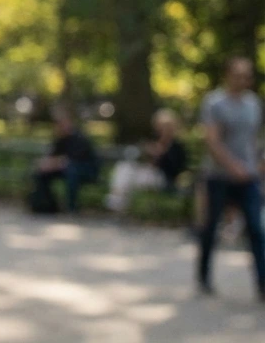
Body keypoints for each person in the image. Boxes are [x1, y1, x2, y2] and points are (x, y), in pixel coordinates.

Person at [196, 56, 264, 300]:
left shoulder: (253, 104)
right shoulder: (214, 103)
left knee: (256, 229)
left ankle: (262, 283)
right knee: (211, 228)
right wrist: (232, 166)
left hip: (249, 178)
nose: (243, 80)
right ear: (228, 75)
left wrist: (257, 166)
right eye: (238, 75)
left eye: (247, 75)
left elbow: (253, 141)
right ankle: (203, 276)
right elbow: (212, 140)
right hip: (219, 177)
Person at [103, 108, 188, 213]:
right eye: (160, 127)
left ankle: (119, 203)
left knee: (132, 177)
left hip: (165, 178)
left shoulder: (177, 146)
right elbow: (142, 161)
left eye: (165, 127)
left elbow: (176, 169)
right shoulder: (155, 141)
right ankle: (116, 201)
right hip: (148, 172)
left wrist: (162, 155)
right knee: (124, 167)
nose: (162, 130)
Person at [31, 106, 100, 214]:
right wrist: (45, 163)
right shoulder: (60, 139)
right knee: (41, 173)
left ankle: (71, 207)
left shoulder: (79, 138)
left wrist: (53, 163)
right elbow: (53, 156)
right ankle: (45, 203)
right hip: (66, 169)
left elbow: (69, 160)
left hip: (85, 170)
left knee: (72, 172)